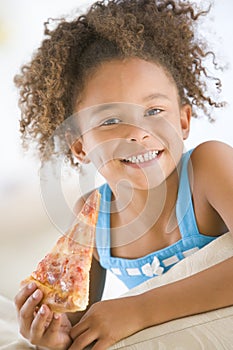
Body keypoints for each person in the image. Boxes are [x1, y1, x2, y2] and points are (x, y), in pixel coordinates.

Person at [14, 0, 233, 349]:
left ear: (183, 120)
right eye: (111, 121)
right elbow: (79, 325)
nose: (137, 133)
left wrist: (139, 309)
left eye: (154, 110)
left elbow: (123, 315)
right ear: (80, 146)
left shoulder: (209, 167)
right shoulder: (93, 217)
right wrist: (51, 335)